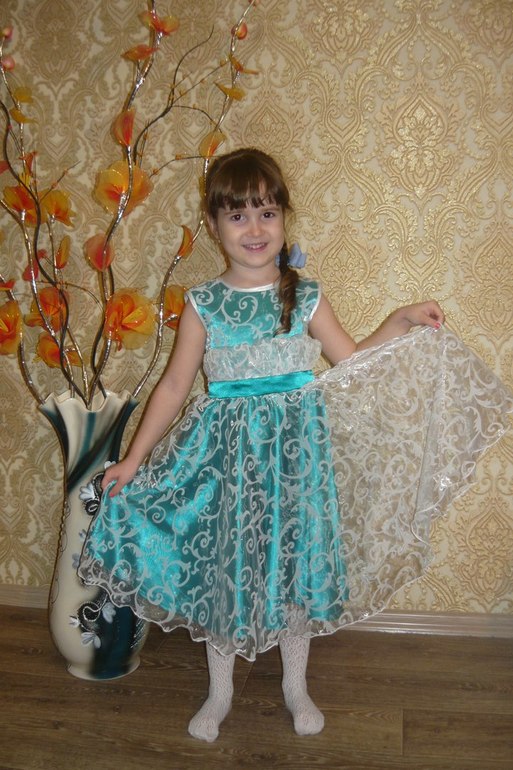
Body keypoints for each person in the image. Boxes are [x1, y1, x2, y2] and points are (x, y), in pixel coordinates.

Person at [78, 148, 512, 743]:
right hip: (227, 464)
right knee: (228, 570)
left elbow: (350, 362)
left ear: (284, 218)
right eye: (238, 216)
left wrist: (399, 319)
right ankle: (220, 691)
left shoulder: (304, 296)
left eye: (267, 213)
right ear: (214, 225)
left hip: (296, 461)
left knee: (296, 570)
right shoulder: (203, 304)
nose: (254, 228)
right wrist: (132, 459)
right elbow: (175, 385)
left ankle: (295, 684)